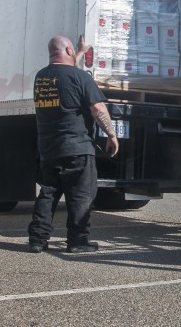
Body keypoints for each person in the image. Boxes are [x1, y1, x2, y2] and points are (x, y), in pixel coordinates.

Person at [27, 35, 119, 253]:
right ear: (68, 51)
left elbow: (64, 72)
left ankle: (38, 240)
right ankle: (78, 242)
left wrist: (79, 52)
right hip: (77, 148)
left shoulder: (41, 78)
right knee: (81, 196)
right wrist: (112, 134)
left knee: (48, 194)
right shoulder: (81, 77)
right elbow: (98, 109)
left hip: (49, 149)